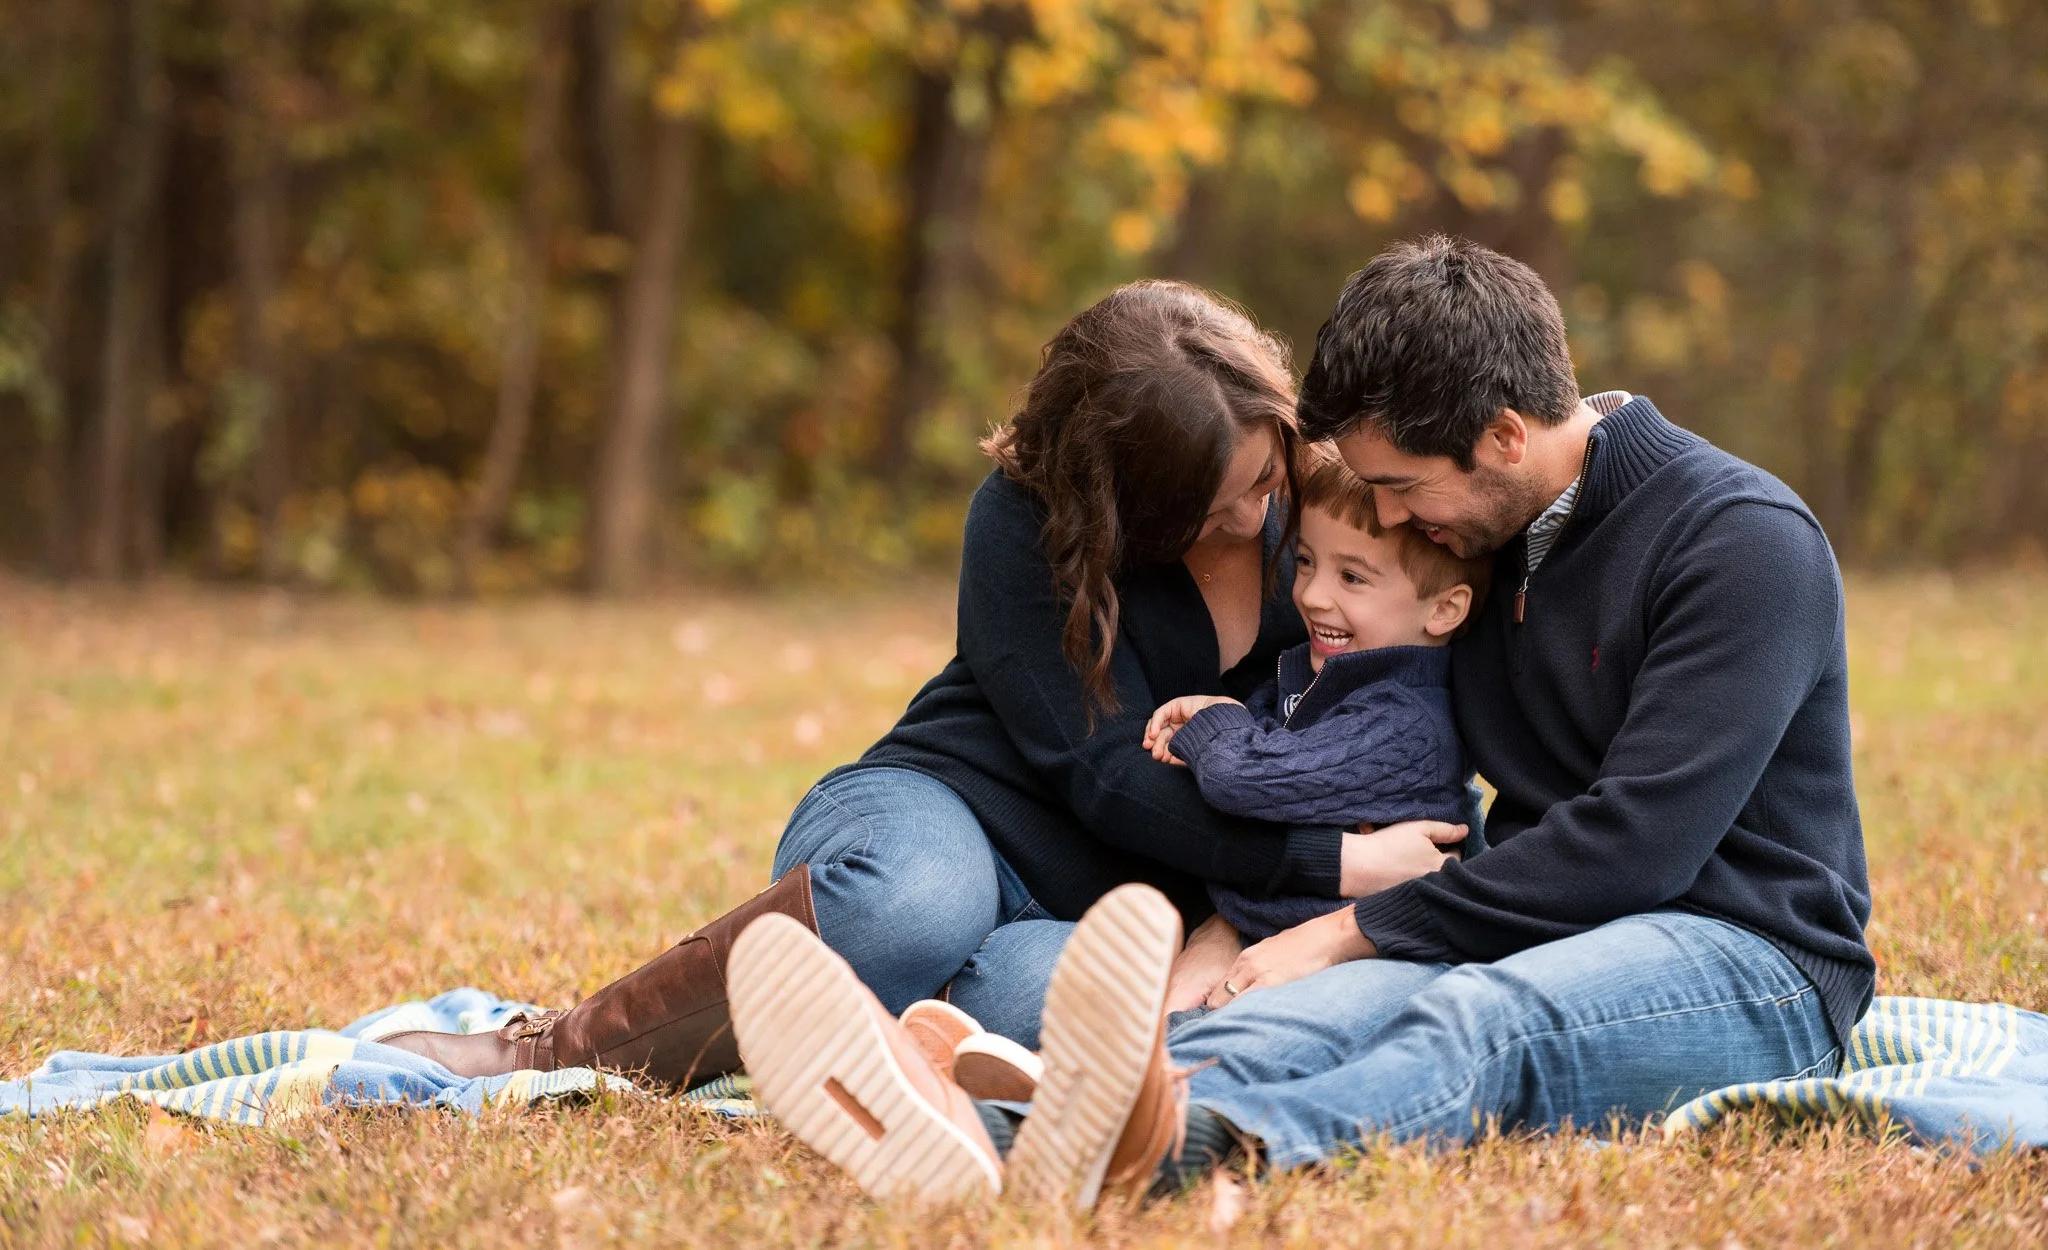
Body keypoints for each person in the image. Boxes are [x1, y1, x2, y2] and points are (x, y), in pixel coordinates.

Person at [725, 234, 1875, 1205]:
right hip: (1534, 919)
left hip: (1744, 949)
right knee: (1274, 1012)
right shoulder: (1477, 542)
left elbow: (1639, 845)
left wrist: (1342, 927)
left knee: (1470, 1020)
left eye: (1397, 490)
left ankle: (1131, 1149)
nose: (1377, 517)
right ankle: (1004, 1128)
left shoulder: (1738, 544)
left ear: (1505, 438)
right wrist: (1269, 926)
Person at [380, 280, 1463, 1087]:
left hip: (1111, 902)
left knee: (1050, 1013)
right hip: (947, 813)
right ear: (1125, 498)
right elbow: (1100, 772)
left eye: (1265, 476)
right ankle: (554, 1048)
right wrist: (1320, 859)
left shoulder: (1318, 518)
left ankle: (891, 1021)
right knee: (908, 905)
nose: (1254, 520)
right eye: (1216, 504)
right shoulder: (1021, 523)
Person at [1142, 443, 1487, 941]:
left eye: (1351, 577)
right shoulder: (1329, 673)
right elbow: (1265, 730)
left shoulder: (1405, 721)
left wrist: (1212, 726)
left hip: (1347, 953)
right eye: (1305, 561)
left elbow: (1241, 780)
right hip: (1261, 924)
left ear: (1444, 610)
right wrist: (1226, 725)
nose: (1310, 594)